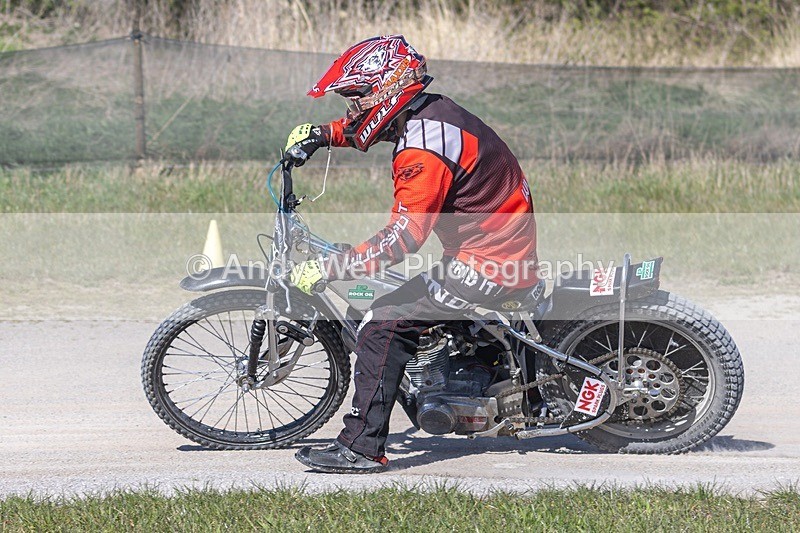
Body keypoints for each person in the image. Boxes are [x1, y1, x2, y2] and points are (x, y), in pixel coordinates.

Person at [286, 35, 539, 474]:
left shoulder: (423, 149)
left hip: (490, 263)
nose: (352, 108)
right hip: (493, 247)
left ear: (388, 87)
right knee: (391, 293)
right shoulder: (430, 111)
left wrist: (332, 267)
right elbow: (374, 125)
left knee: (383, 323)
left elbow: (403, 239)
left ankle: (361, 449)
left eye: (356, 96)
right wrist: (323, 134)